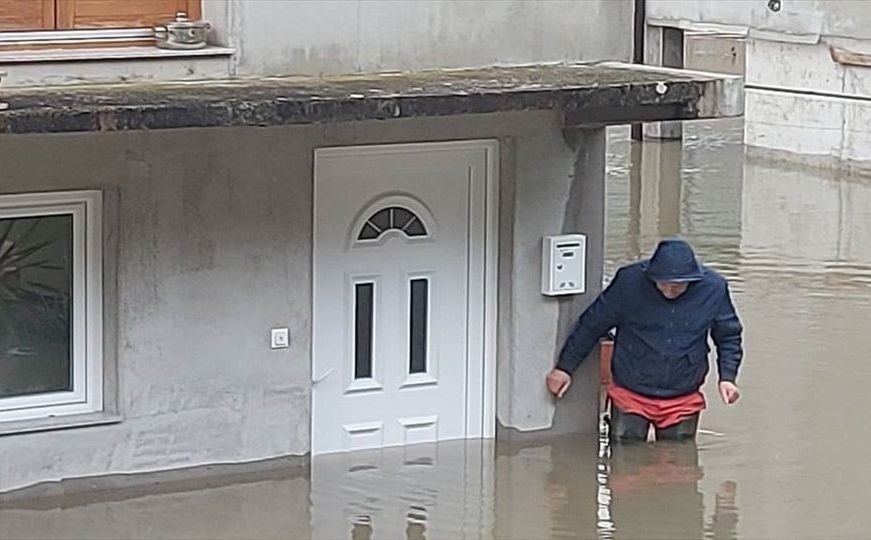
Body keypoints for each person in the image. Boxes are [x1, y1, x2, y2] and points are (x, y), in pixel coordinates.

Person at [545, 239, 743, 443]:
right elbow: (592, 325)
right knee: (625, 463)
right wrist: (564, 368)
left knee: (680, 465)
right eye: (663, 284)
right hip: (630, 392)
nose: (669, 291)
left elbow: (728, 336)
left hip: (683, 396)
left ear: (692, 279)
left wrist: (727, 377)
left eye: (677, 287)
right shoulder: (628, 282)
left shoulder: (714, 289)